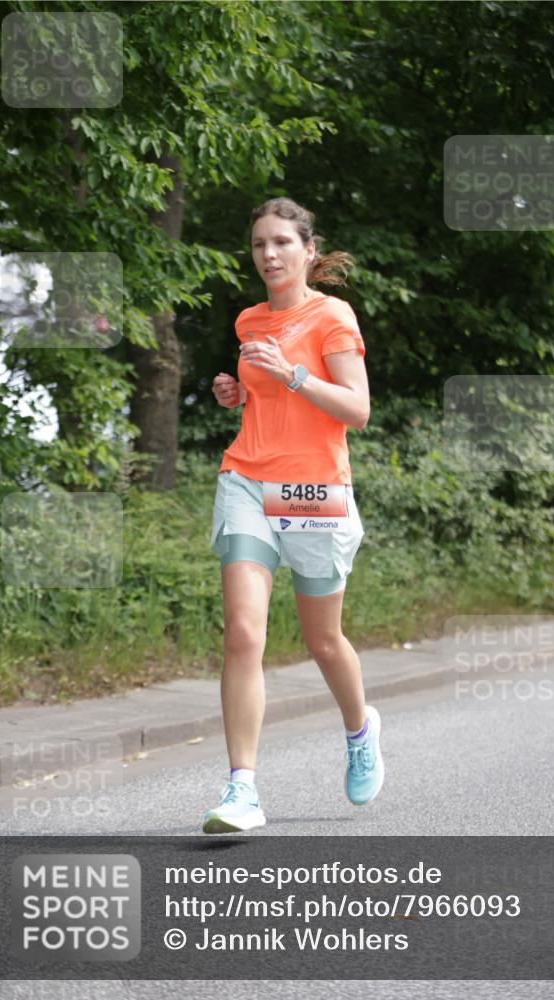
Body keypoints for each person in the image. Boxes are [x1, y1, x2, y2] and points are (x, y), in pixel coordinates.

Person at [203, 196, 383, 834]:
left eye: (281, 242)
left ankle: (360, 730)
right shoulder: (249, 320)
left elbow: (357, 410)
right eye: (258, 244)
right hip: (248, 478)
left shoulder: (332, 315)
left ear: (308, 251)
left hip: (312, 493)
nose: (269, 254)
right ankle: (241, 789)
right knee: (244, 633)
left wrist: (294, 374)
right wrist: (235, 393)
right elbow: (263, 402)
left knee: (322, 640)